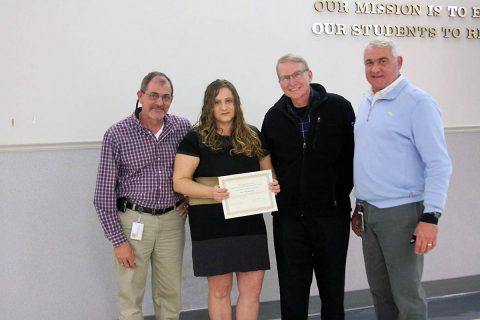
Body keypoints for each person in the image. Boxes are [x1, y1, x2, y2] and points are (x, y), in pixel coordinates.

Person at [351, 38, 452, 320]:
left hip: (403, 214)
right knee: (381, 293)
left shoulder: (418, 103)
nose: (375, 68)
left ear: (399, 63)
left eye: (383, 61)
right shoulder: (367, 100)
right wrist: (360, 205)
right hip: (370, 213)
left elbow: (439, 164)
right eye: (369, 62)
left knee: (406, 295)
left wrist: (431, 217)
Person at [172, 79, 280, 320]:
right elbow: (179, 181)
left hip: (249, 223)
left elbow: (268, 173)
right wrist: (211, 192)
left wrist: (272, 184)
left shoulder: (253, 135)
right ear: (209, 106)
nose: (223, 107)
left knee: (252, 289)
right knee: (220, 291)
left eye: (228, 101)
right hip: (211, 226)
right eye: (217, 102)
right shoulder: (195, 138)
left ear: (236, 104)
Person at [261, 54, 355, 319]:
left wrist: (342, 196)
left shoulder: (339, 107)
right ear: (279, 82)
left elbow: (353, 156)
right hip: (289, 221)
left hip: (331, 217)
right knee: (292, 294)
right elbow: (268, 166)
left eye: (297, 74)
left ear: (309, 75)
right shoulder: (273, 118)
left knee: (333, 292)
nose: (292, 82)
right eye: (285, 77)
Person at [93, 71, 191, 320]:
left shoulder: (183, 128)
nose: (159, 102)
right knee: (130, 296)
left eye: (166, 97)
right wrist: (118, 241)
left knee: (170, 295)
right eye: (153, 95)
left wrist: (190, 199)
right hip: (133, 223)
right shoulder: (116, 134)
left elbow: (196, 171)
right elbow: (103, 196)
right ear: (140, 96)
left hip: (172, 222)